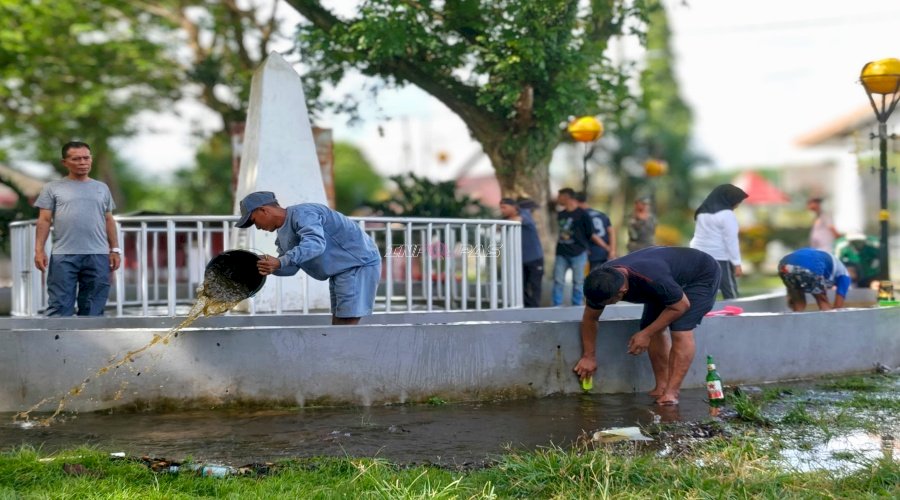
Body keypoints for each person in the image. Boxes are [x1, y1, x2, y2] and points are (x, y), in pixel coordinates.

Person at [574, 247, 721, 406]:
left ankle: (671, 393)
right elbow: (590, 318)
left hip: (699, 275)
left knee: (680, 327)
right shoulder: (600, 282)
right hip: (667, 280)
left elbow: (681, 306)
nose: (602, 306)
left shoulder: (651, 277)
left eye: (607, 303)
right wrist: (589, 356)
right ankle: (661, 387)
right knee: (650, 325)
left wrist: (646, 334)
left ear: (622, 291)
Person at [236, 191, 382, 325]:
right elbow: (291, 268)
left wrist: (280, 262)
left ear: (264, 210)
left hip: (358, 265)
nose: (257, 227)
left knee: (346, 322)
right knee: (339, 321)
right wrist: (266, 265)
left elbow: (316, 244)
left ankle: (347, 354)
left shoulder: (304, 213)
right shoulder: (282, 235)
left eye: (254, 221)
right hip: (340, 271)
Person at [33, 141, 121, 316]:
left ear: (91, 159)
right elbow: (44, 220)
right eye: (76, 159)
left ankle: (90, 343)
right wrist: (39, 250)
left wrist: (115, 249)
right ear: (64, 162)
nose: (83, 162)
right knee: (60, 306)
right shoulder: (52, 188)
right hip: (64, 255)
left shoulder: (101, 188)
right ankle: (58, 342)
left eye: (86, 158)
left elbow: (108, 219)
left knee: (94, 308)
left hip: (97, 254)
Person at [689, 184, 748, 299]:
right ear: (729, 199)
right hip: (719, 257)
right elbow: (731, 241)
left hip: (699, 255)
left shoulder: (702, 212)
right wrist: (737, 264)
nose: (738, 205)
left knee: (703, 290)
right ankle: (735, 316)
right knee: (730, 292)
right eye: (737, 201)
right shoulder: (727, 215)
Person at [552, 187, 601, 306]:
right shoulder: (561, 214)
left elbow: (591, 233)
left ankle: (577, 307)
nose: (558, 199)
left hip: (579, 253)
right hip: (561, 252)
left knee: (578, 282)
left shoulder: (583, 214)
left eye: (560, 196)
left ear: (567, 197)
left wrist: (587, 248)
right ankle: (555, 307)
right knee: (558, 281)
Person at [499, 198, 544, 307]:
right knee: (520, 287)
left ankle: (535, 312)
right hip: (519, 260)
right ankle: (526, 310)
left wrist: (501, 223)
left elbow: (518, 219)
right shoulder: (506, 218)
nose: (502, 210)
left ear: (514, 207)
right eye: (501, 208)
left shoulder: (524, 213)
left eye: (504, 207)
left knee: (534, 286)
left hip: (534, 258)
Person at [778, 247, 851, 312]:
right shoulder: (845, 277)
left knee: (798, 304)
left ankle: (796, 324)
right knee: (822, 301)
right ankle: (828, 326)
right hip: (810, 265)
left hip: (785, 265)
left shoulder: (832, 264)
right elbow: (838, 307)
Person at [576, 192, 616, 271]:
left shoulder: (581, 215)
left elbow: (592, 234)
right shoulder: (602, 214)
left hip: (592, 251)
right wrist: (612, 250)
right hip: (604, 253)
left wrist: (606, 247)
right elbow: (611, 232)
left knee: (592, 278)